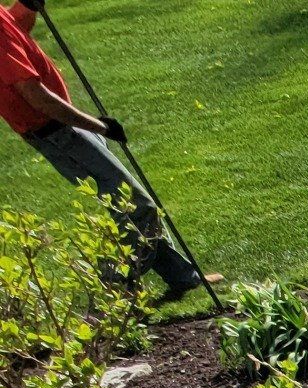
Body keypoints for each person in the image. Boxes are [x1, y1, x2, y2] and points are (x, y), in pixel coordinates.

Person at [1, 0, 214, 297]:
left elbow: (15, 29)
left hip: (63, 128)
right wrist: (99, 126)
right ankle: (114, 286)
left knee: (125, 203)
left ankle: (182, 276)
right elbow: (35, 95)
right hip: (56, 132)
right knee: (138, 206)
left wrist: (26, 7)